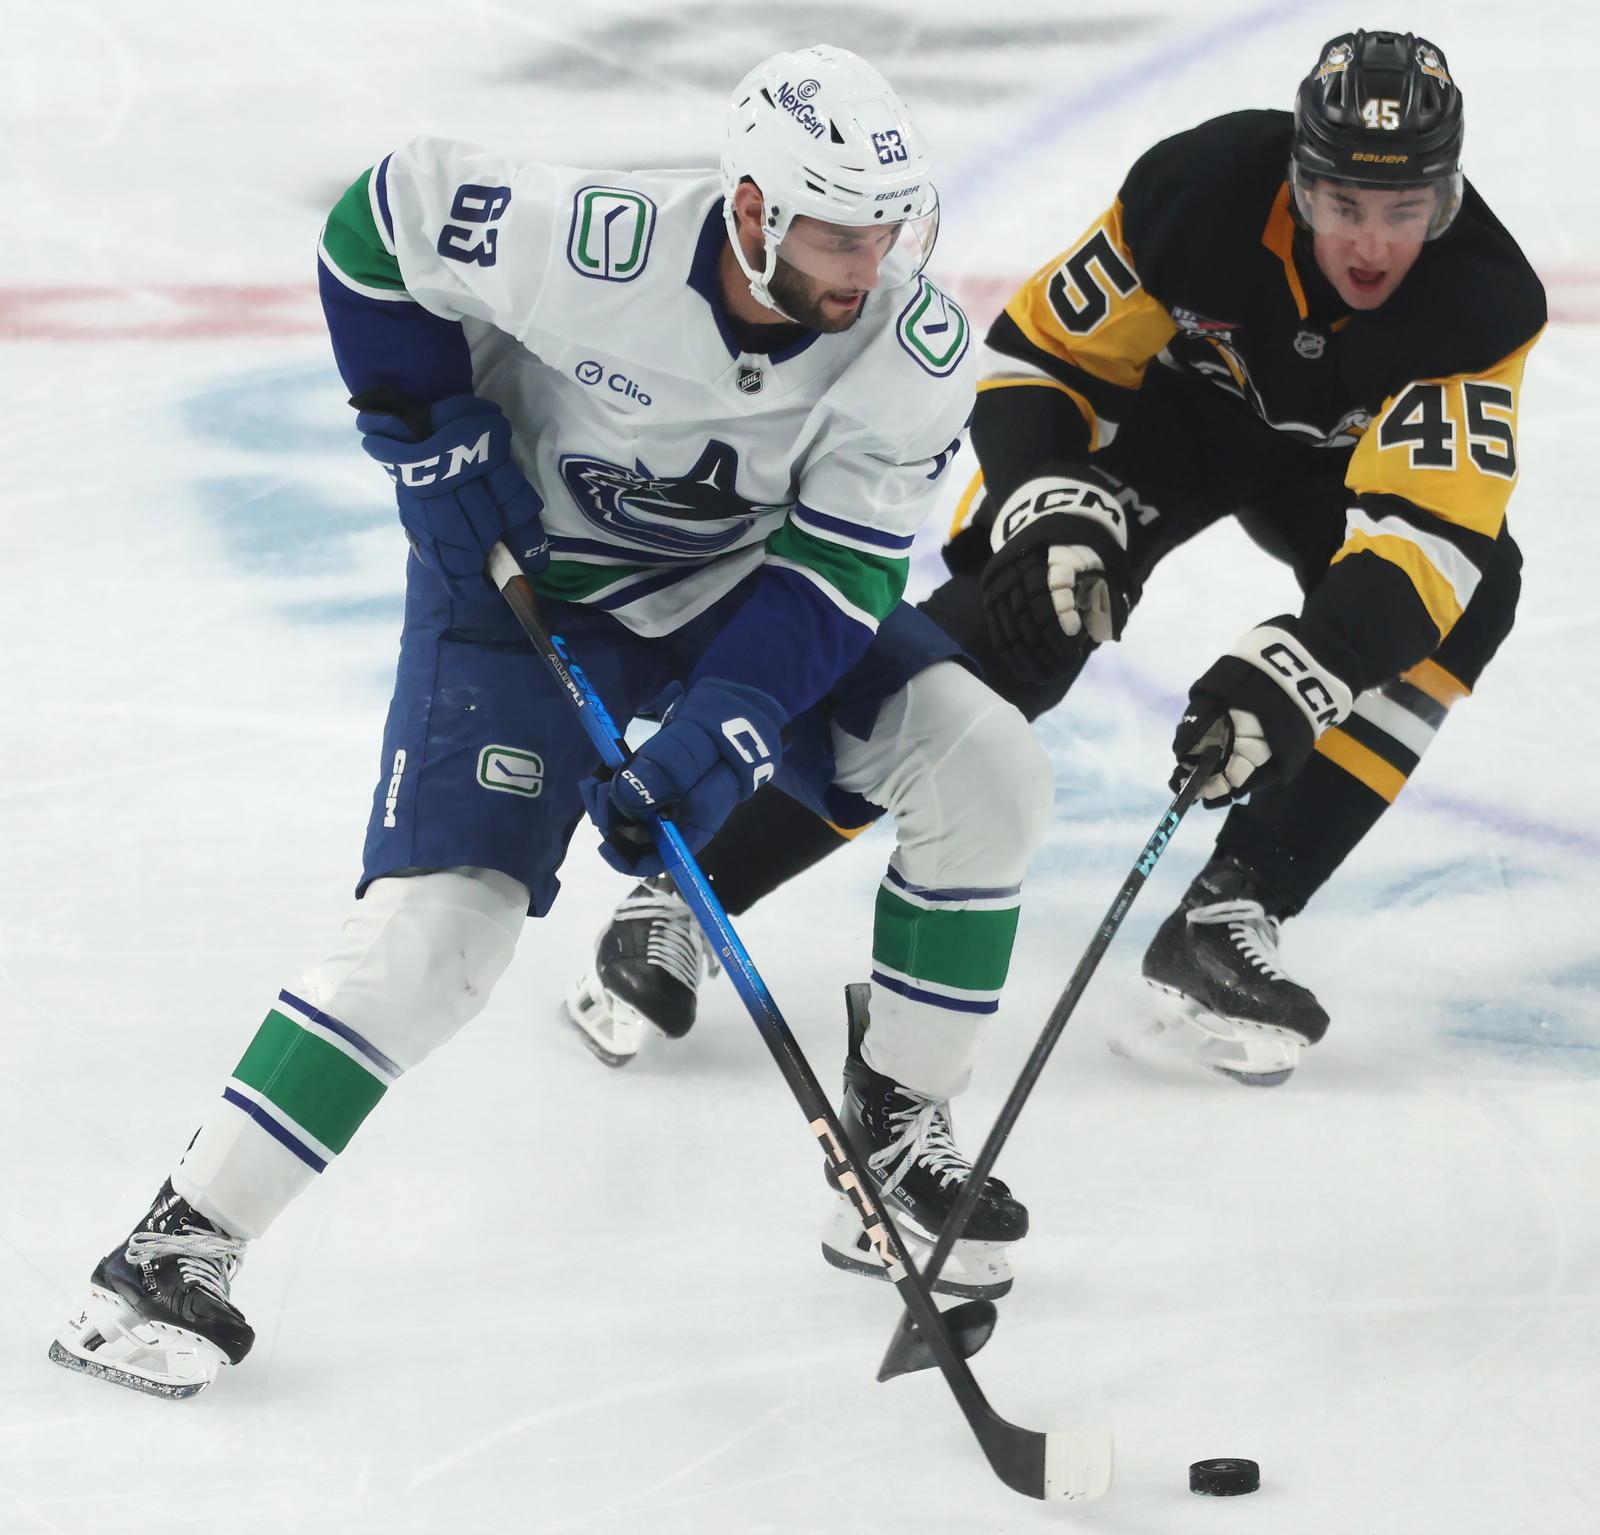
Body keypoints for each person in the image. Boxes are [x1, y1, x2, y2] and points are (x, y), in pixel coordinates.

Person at [50, 44, 1055, 1400]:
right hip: (526, 592)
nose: (862, 265)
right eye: (832, 231)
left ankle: (895, 1123)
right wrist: (424, 425)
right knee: (447, 924)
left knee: (983, 760)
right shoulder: (596, 244)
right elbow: (379, 220)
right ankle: (179, 1239)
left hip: (738, 598)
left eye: (883, 231)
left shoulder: (912, 347)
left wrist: (728, 728)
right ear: (751, 210)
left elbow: (842, 571)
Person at [566, 29, 1544, 1088]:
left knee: (1472, 600)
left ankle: (1235, 901)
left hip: (1340, 467)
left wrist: (1304, 670)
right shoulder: (1203, 189)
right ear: (1298, 182)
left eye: (1404, 212)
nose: (1370, 243)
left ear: (1445, 201)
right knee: (1017, 631)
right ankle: (688, 892)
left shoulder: (1479, 300)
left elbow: (1432, 536)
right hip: (1170, 423)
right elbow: (1042, 357)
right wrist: (1053, 510)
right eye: (1343, 203)